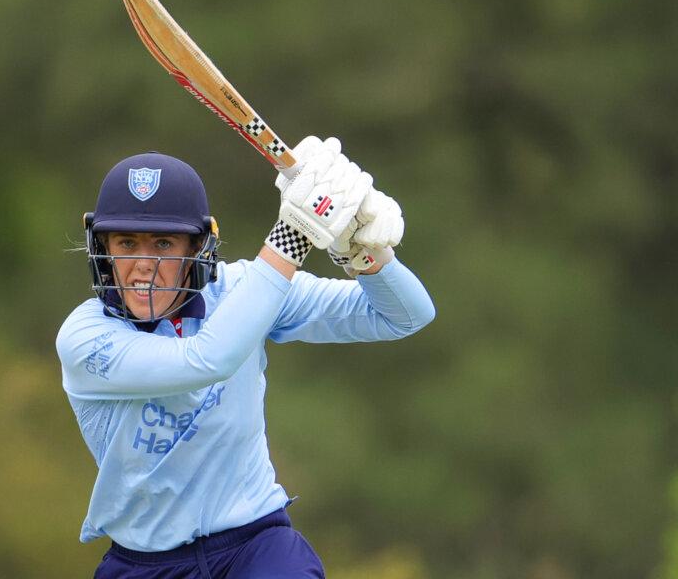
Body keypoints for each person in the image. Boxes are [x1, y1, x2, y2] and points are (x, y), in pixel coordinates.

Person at [56, 137, 435, 579]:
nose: (143, 265)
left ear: (198, 248)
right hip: (144, 564)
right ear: (101, 249)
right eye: (125, 243)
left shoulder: (240, 292)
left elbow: (405, 315)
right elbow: (207, 359)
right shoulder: (85, 337)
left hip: (255, 548)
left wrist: (362, 252)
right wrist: (294, 234)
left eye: (163, 243)